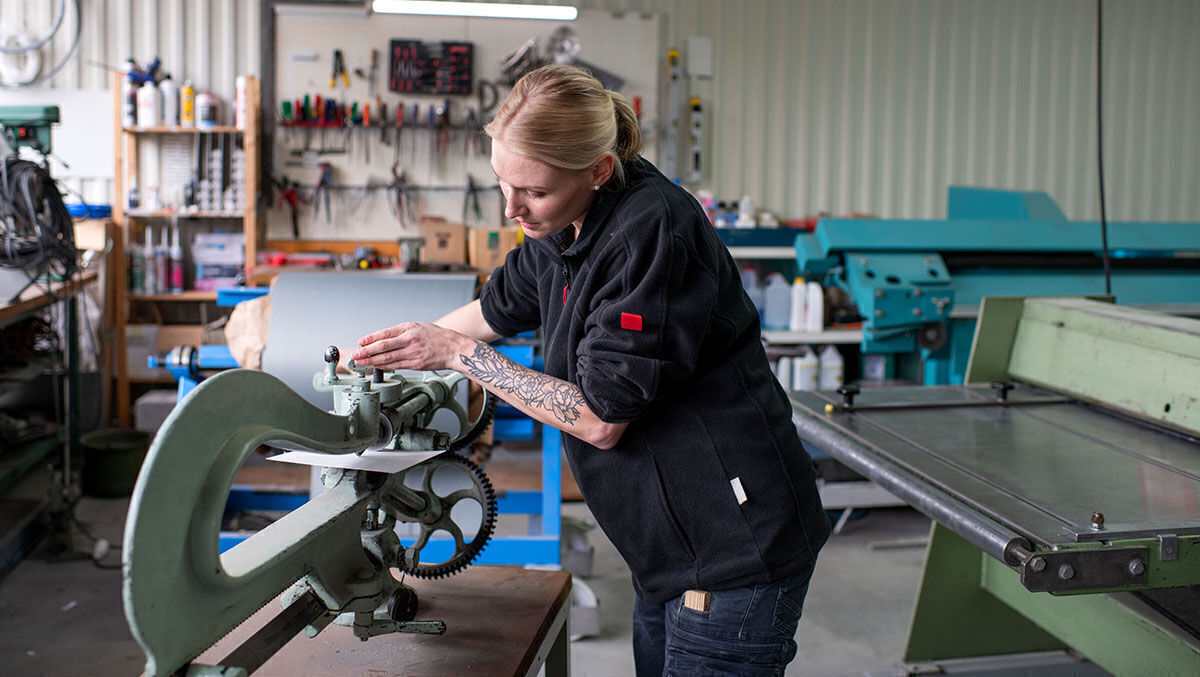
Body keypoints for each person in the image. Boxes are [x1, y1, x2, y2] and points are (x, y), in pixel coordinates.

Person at [352, 64, 831, 676]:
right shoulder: (561, 222)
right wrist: (394, 355)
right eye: (502, 183)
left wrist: (457, 355)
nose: (511, 207)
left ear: (599, 169)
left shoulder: (649, 232)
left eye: (533, 191)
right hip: (665, 550)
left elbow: (601, 418)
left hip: (732, 544)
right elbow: (495, 309)